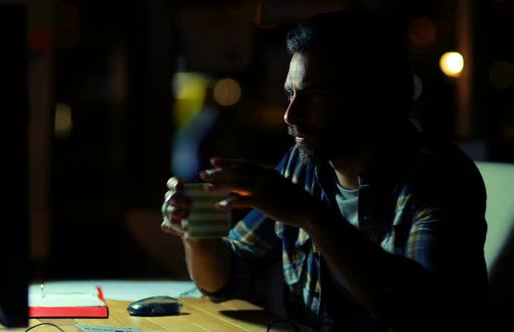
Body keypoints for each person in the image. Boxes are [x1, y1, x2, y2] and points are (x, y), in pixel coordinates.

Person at [161, 8, 489, 332]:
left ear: (376, 99)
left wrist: (308, 214)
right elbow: (227, 279)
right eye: (291, 94)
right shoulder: (302, 165)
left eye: (315, 96)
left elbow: (421, 313)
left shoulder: (438, 176)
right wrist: (198, 235)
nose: (290, 115)